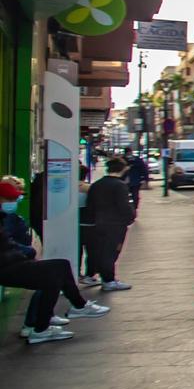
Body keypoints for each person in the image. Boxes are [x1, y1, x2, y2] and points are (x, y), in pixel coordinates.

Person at [0, 214, 109, 345]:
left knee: (54, 277)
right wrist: (26, 253)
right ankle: (78, 307)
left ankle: (41, 329)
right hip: (8, 267)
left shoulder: (6, 219)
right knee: (59, 268)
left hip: (12, 264)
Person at [86, 158, 135, 291]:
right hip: (115, 224)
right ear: (122, 169)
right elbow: (124, 206)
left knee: (101, 251)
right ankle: (109, 280)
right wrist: (131, 218)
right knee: (112, 252)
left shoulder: (96, 185)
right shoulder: (120, 185)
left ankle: (105, 278)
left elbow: (90, 206)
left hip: (98, 223)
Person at [121, 147, 150, 214]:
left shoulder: (122, 160)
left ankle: (130, 209)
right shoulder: (137, 159)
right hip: (135, 181)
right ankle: (133, 209)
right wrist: (145, 179)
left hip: (124, 181)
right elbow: (144, 169)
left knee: (125, 196)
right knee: (135, 196)